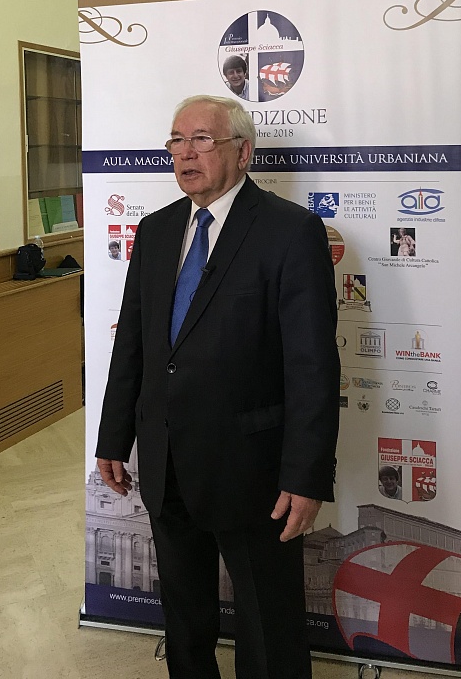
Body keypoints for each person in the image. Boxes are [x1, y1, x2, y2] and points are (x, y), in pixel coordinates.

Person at [96, 94, 339, 679]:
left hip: (253, 470)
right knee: (184, 620)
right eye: (177, 141)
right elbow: (133, 345)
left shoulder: (291, 231)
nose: (186, 153)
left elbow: (312, 365)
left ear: (243, 152)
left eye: (202, 139)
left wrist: (306, 475)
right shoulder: (155, 231)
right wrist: (113, 437)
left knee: (269, 627)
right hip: (167, 461)